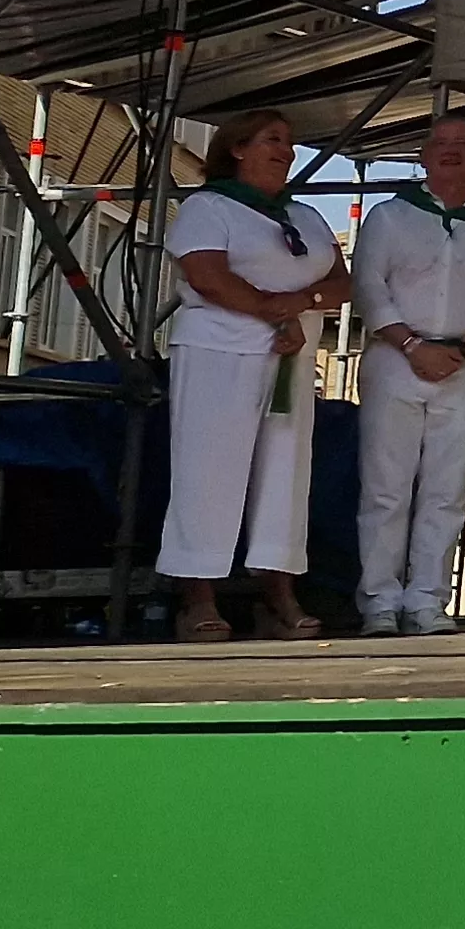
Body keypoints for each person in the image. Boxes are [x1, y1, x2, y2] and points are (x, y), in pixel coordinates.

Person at [162, 109, 351, 642]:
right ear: (238, 148)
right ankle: (196, 596)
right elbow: (207, 275)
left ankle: (278, 594)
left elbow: (341, 282)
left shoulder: (305, 217)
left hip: (289, 358)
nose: (285, 151)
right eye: (272, 140)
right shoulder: (209, 206)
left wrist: (303, 303)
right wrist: (277, 311)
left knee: (285, 477)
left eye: (290, 143)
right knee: (209, 471)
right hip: (219, 354)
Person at [351, 117, 465, 636]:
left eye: (463, 146)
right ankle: (379, 600)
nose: (452, 153)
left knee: (447, 491)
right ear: (423, 155)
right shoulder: (390, 216)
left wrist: (464, 349)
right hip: (395, 360)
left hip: (464, 367)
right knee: (385, 488)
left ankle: (427, 600)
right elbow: (368, 285)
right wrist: (411, 344)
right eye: (441, 145)